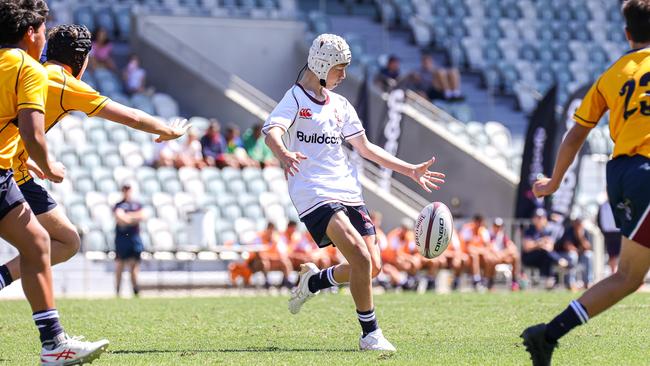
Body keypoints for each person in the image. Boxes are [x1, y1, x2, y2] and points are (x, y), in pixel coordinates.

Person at [263, 33, 445, 351]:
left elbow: (365, 148)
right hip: (313, 191)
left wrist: (409, 171)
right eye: (339, 68)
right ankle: (370, 334)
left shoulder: (341, 105)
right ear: (321, 65)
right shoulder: (294, 99)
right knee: (359, 257)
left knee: (371, 266)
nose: (344, 76)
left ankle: (315, 281)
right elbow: (272, 131)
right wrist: (283, 153)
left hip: (348, 190)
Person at [0, 24, 188, 297]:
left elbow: (13, 130)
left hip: (13, 166)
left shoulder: (28, 70)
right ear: (82, 59)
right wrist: (168, 130)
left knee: (49, 241)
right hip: (12, 175)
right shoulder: (65, 83)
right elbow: (131, 116)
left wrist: (29, 161)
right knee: (66, 241)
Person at [521, 2, 650, 364]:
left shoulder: (611, 75)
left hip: (622, 175)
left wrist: (554, 181)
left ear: (628, 34)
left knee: (628, 276)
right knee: (627, 275)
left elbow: (577, 133)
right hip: (647, 171)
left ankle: (547, 335)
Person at [0, 3, 108, 363]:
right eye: (43, 30)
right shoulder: (27, 68)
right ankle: (53, 346)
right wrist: (48, 165)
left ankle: (54, 344)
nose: (44, 39)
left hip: (5, 173)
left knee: (37, 244)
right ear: (31, 32)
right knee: (38, 245)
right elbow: (31, 131)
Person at [520, 208, 567, 289]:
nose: (540, 220)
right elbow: (527, 247)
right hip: (529, 257)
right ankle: (558, 262)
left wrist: (542, 244)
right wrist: (539, 243)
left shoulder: (547, 231)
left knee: (546, 255)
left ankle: (548, 280)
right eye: (537, 217)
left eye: (542, 217)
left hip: (542, 257)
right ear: (533, 219)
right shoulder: (529, 231)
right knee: (545, 253)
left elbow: (550, 247)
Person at [113, 183, 144, 297]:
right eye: (125, 189)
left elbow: (142, 216)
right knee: (120, 265)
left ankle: (136, 290)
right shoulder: (119, 205)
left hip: (134, 238)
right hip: (122, 239)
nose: (127, 192)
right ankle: (117, 292)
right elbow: (120, 218)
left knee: (134, 266)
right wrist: (132, 218)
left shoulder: (136, 204)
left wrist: (127, 216)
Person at [555, 218, 593, 290]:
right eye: (577, 223)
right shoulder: (569, 230)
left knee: (588, 255)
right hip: (566, 255)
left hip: (580, 255)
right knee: (573, 255)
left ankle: (587, 283)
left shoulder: (585, 231)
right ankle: (571, 283)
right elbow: (567, 246)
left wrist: (580, 236)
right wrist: (578, 251)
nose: (578, 225)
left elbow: (588, 247)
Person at [487, 217, 521, 291]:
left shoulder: (503, 236)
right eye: (496, 226)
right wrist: (499, 255)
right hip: (493, 258)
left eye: (500, 226)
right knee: (491, 259)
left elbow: (512, 248)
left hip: (501, 257)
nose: (498, 228)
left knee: (515, 256)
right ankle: (490, 283)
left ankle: (514, 281)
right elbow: (490, 248)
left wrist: (502, 254)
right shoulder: (489, 235)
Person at [459, 214, 493, 289]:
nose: (479, 224)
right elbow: (468, 248)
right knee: (474, 256)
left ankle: (486, 280)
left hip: (480, 255)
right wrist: (479, 250)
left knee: (489, 258)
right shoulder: (468, 229)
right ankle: (476, 280)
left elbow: (488, 247)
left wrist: (478, 250)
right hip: (467, 256)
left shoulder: (483, 231)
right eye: (478, 222)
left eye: (480, 222)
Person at [597, 196, 621, 273]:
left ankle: (619, 272)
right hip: (608, 234)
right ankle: (613, 272)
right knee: (612, 254)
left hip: (618, 232)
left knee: (619, 254)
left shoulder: (618, 204)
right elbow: (599, 220)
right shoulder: (602, 205)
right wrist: (603, 231)